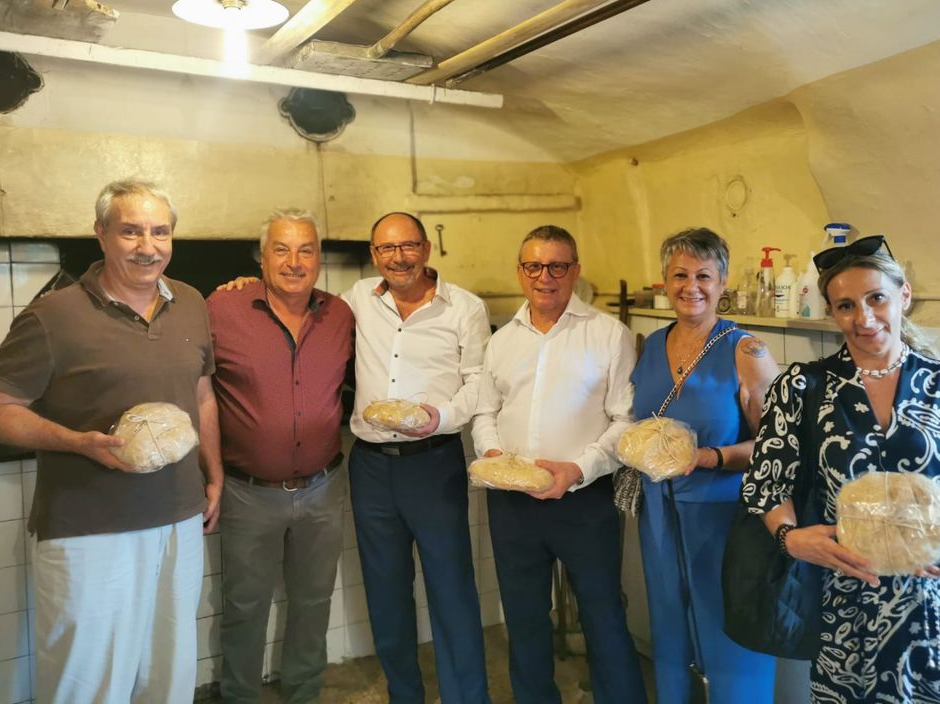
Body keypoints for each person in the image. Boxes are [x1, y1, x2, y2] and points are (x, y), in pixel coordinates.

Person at [0, 179, 222, 703]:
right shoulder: (53, 316)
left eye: (160, 232)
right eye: (131, 231)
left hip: (178, 519)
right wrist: (78, 442)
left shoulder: (190, 302)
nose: (148, 247)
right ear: (101, 234)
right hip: (89, 529)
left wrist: (214, 473)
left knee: (169, 671)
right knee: (87, 681)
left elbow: (202, 394)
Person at [742, 235, 940, 702]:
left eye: (876, 298)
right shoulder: (802, 387)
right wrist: (790, 537)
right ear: (832, 311)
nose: (863, 318)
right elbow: (766, 483)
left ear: (904, 296)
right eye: (846, 305)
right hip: (849, 617)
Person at [472, 224, 648, 704]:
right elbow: (485, 412)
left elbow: (625, 420)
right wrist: (492, 455)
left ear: (575, 271)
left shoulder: (608, 335)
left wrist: (579, 469)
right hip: (512, 502)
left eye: (556, 266)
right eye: (534, 266)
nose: (544, 277)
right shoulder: (502, 341)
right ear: (520, 271)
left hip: (584, 501)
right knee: (524, 618)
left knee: (603, 615)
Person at [345, 211, 492, 704]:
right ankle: (404, 695)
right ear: (374, 254)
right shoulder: (356, 299)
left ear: (427, 249)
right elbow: (297, 304)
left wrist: (441, 417)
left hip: (433, 463)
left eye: (408, 246)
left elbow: (479, 383)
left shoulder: (464, 307)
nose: (399, 257)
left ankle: (466, 697)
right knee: (385, 592)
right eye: (387, 248)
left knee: (451, 589)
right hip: (371, 466)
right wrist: (243, 284)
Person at [208, 210, 353, 703]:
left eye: (306, 250)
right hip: (248, 492)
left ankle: (304, 694)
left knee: (314, 602)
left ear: (318, 257)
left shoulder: (340, 315)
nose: (294, 262)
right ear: (262, 257)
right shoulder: (222, 308)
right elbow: (197, 387)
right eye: (282, 250)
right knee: (245, 607)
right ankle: (240, 696)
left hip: (323, 487)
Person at [630, 227, 780, 703]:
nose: (690, 286)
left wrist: (710, 457)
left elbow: (779, 446)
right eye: (679, 275)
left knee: (727, 629)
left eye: (703, 275)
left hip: (723, 516)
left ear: (722, 282)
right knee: (669, 626)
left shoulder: (745, 350)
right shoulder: (651, 346)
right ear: (664, 280)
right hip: (659, 513)